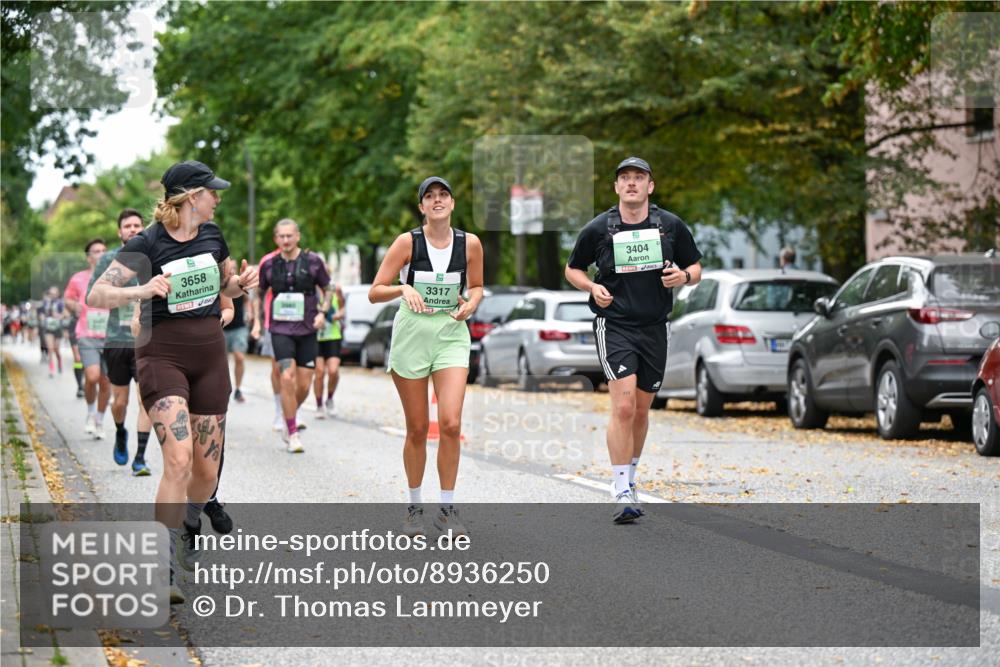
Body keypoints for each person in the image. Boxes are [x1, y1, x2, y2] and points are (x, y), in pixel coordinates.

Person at [88, 160, 258, 603]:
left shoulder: (212, 235)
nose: (217, 198)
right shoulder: (147, 242)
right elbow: (97, 294)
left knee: (205, 472)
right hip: (162, 354)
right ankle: (162, 569)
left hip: (209, 356)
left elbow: (228, 289)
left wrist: (242, 283)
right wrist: (141, 291)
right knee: (179, 461)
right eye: (211, 192)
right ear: (189, 197)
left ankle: (191, 519)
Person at [565, 157, 703, 524]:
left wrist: (683, 277)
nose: (631, 183)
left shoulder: (670, 226)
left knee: (642, 410)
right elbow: (572, 268)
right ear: (616, 187)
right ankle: (620, 487)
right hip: (615, 325)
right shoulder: (600, 228)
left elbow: (696, 268)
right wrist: (592, 286)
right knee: (623, 408)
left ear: (650, 186)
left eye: (638, 178)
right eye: (624, 178)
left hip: (655, 326)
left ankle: (631, 475)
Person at [369, 176, 483, 537]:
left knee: (450, 423)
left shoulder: (470, 244)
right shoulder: (407, 242)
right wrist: (403, 287)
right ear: (421, 207)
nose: (437, 200)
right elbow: (375, 291)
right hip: (412, 335)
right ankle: (415, 505)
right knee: (417, 428)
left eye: (443, 195)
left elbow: (477, 287)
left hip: (450, 334)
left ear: (451, 203)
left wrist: (473, 303)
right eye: (429, 196)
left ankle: (447, 509)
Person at [252, 219, 330, 453]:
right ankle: (292, 431)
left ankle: (289, 416)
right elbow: (258, 293)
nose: (286, 240)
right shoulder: (269, 265)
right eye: (281, 236)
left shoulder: (314, 262)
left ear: (298, 236)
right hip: (280, 329)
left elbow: (328, 289)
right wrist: (257, 320)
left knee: (305, 383)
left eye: (290, 236)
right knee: (286, 376)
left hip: (307, 329)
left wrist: (323, 313)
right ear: (276, 239)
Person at [86, 209, 154, 474]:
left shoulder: (152, 256)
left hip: (146, 340)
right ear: (120, 231)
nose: (134, 229)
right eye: (128, 226)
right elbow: (95, 297)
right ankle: (119, 431)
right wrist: (135, 295)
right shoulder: (109, 261)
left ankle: (140, 457)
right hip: (117, 339)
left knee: (145, 399)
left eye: (138, 225)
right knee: (120, 402)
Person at [64, 239, 111, 439]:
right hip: (86, 334)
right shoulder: (78, 279)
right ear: (89, 257)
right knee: (92, 377)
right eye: (96, 251)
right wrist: (74, 306)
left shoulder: (115, 277)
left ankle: (99, 419)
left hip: (110, 335)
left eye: (103, 251)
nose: (100, 254)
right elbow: (68, 299)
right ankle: (90, 413)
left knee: (106, 381)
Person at [313, 282, 345, 418]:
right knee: (319, 373)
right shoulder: (311, 290)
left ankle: (330, 398)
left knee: (333, 371)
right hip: (317, 337)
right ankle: (319, 405)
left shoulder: (336, 289)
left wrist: (339, 314)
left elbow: (343, 308)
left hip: (333, 336)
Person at [223, 292, 251, 403]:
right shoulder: (219, 280)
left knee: (239, 357)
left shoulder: (239, 282)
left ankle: (238, 389)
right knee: (222, 361)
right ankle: (223, 388)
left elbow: (247, 299)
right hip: (222, 326)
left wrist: (249, 312)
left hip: (239, 326)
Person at [39, 287, 68, 378]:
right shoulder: (46, 303)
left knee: (56, 350)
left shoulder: (60, 303)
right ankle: (51, 370)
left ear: (58, 294)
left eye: (54, 293)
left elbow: (65, 314)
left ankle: (59, 361)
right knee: (50, 349)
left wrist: (60, 316)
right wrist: (42, 317)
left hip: (58, 328)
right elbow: (41, 313)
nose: (53, 295)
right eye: (51, 293)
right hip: (48, 328)